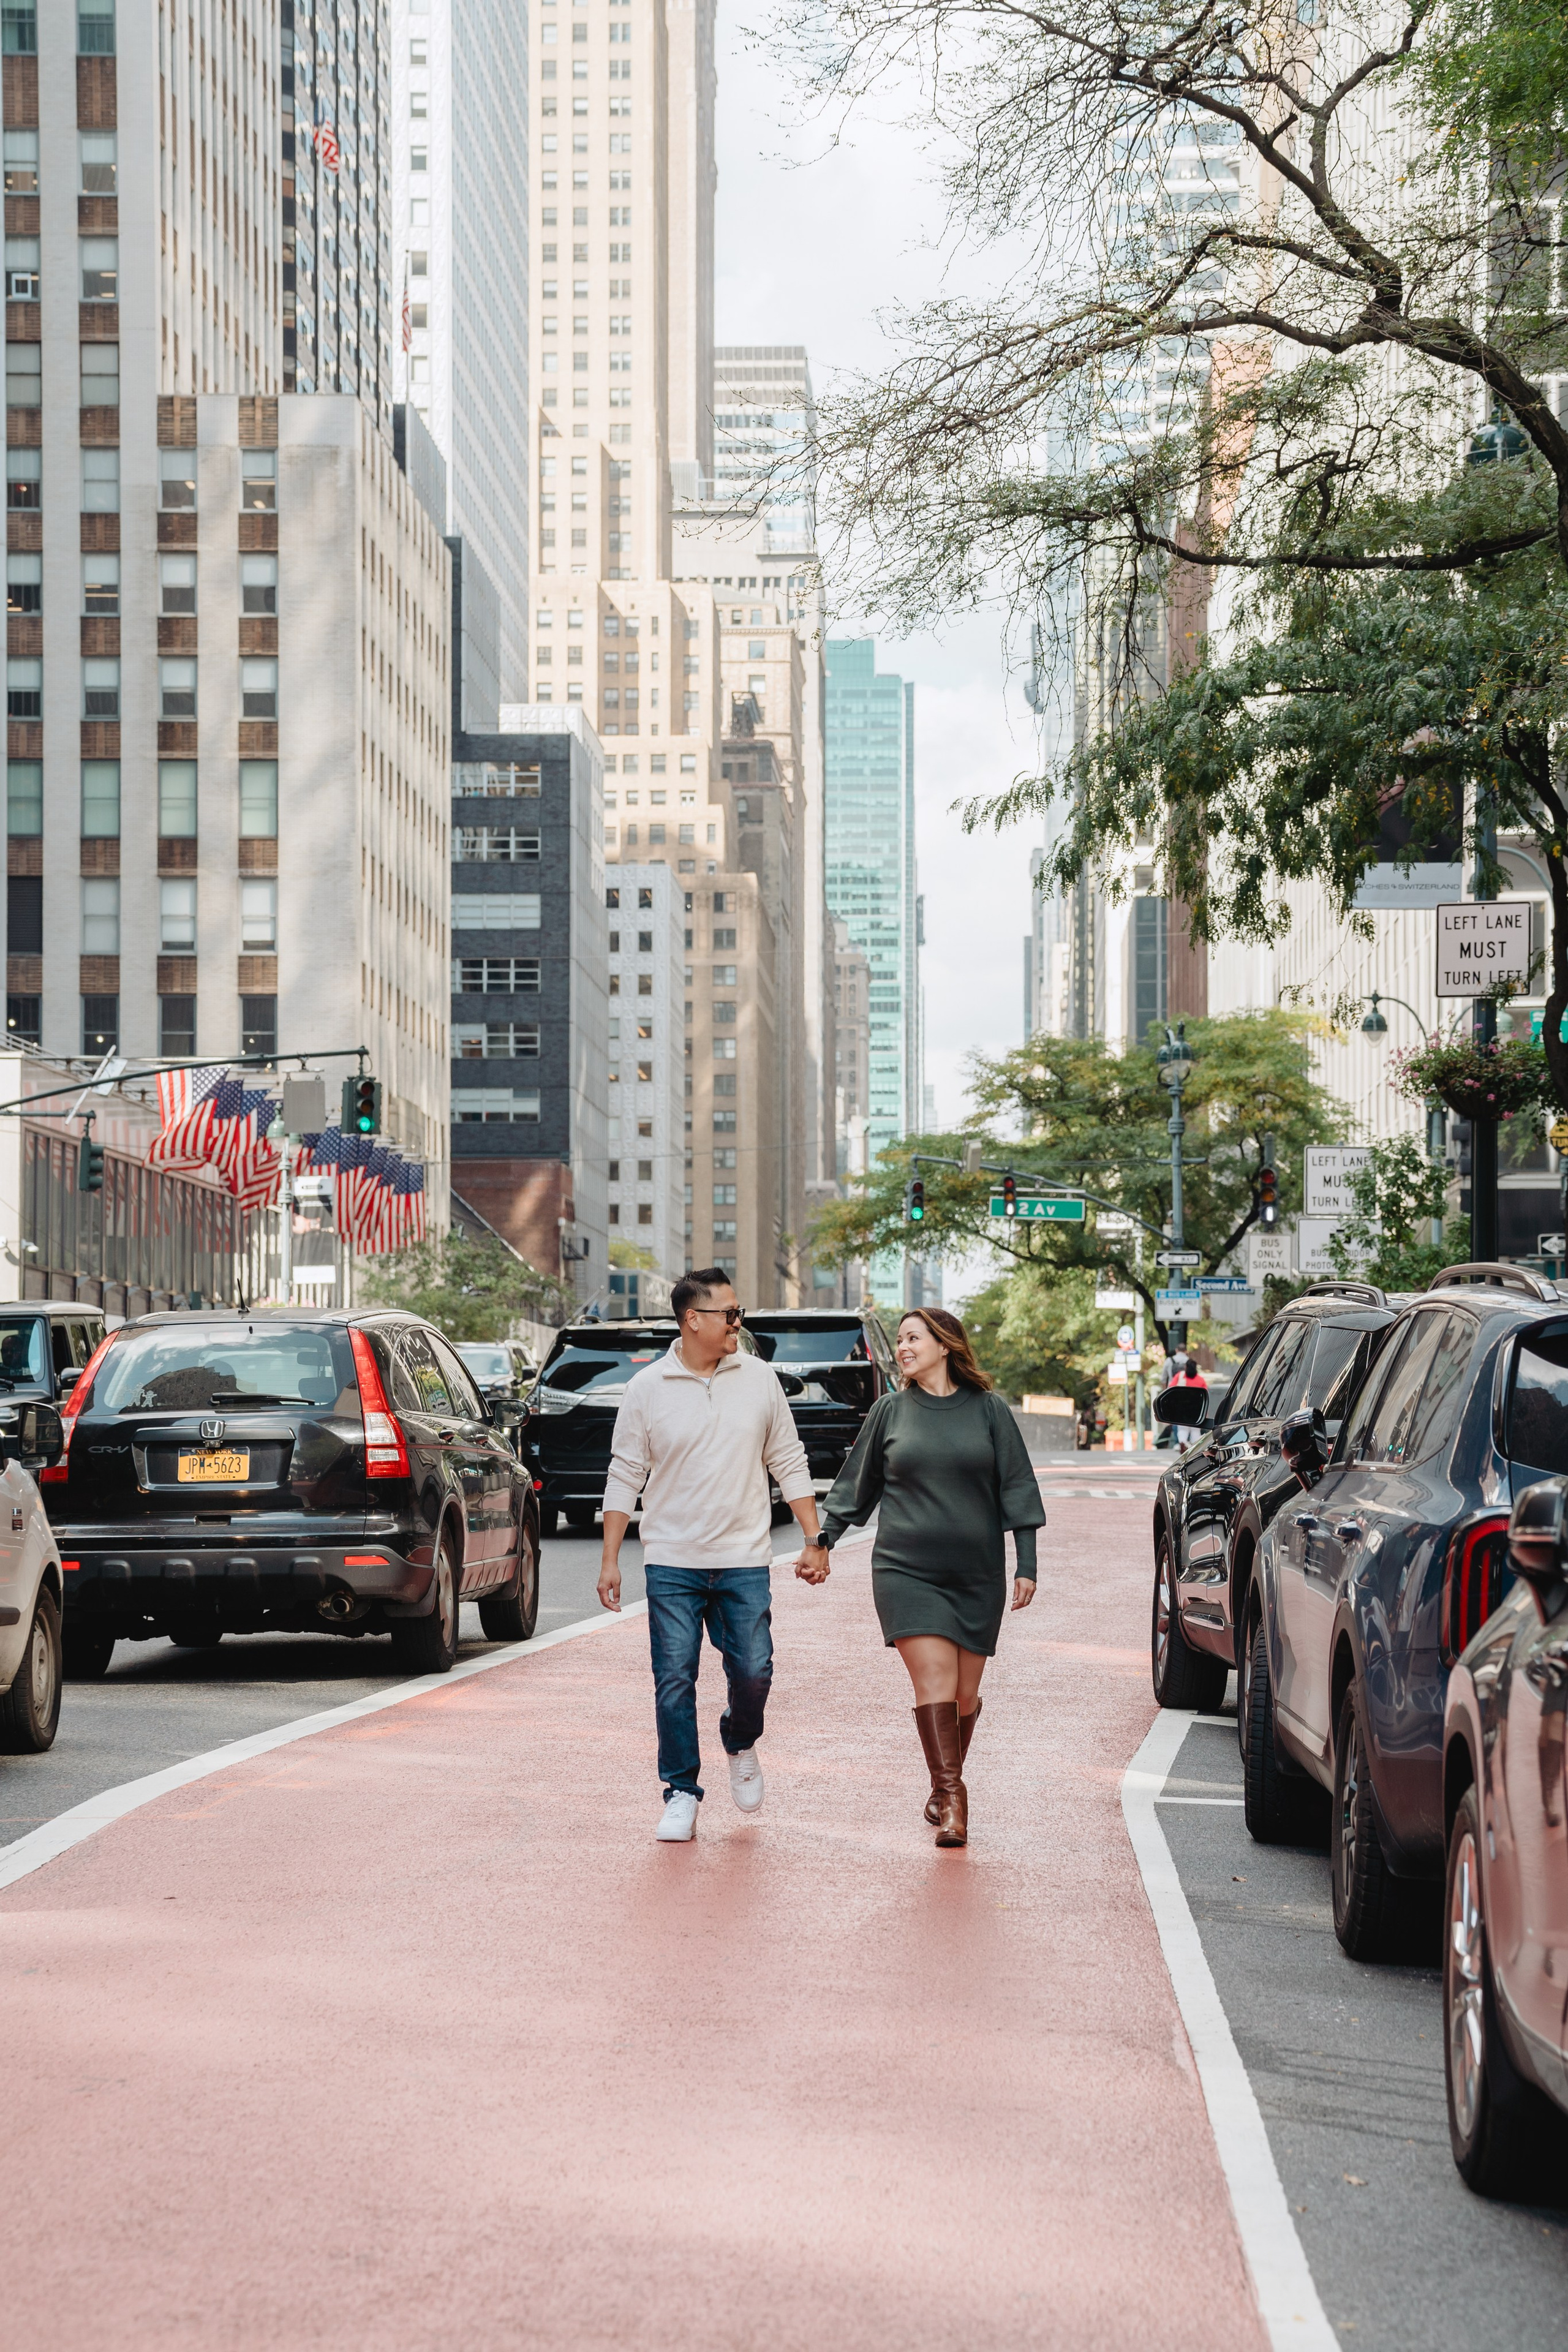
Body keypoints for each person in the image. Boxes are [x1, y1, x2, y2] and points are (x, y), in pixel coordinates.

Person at [793, 1306, 1046, 1849]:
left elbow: (1017, 1488)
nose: (904, 1348)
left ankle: (939, 1786)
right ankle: (954, 1798)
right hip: (906, 1570)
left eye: (914, 1338)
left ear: (946, 1344)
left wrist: (1027, 1563)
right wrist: (822, 1542)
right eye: (901, 1340)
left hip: (978, 1574)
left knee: (966, 1695)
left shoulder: (989, 1412)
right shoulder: (890, 1411)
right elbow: (854, 1486)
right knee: (934, 1678)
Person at [598, 1268, 823, 1844]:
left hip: (744, 1556)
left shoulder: (759, 1378)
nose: (738, 1324)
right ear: (692, 1320)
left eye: (739, 1312)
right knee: (674, 1678)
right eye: (730, 1314)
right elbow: (625, 1473)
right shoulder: (647, 1390)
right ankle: (680, 1791)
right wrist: (610, 1559)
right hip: (672, 1559)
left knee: (754, 1671)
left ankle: (740, 1740)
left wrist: (812, 1537)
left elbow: (789, 1459)